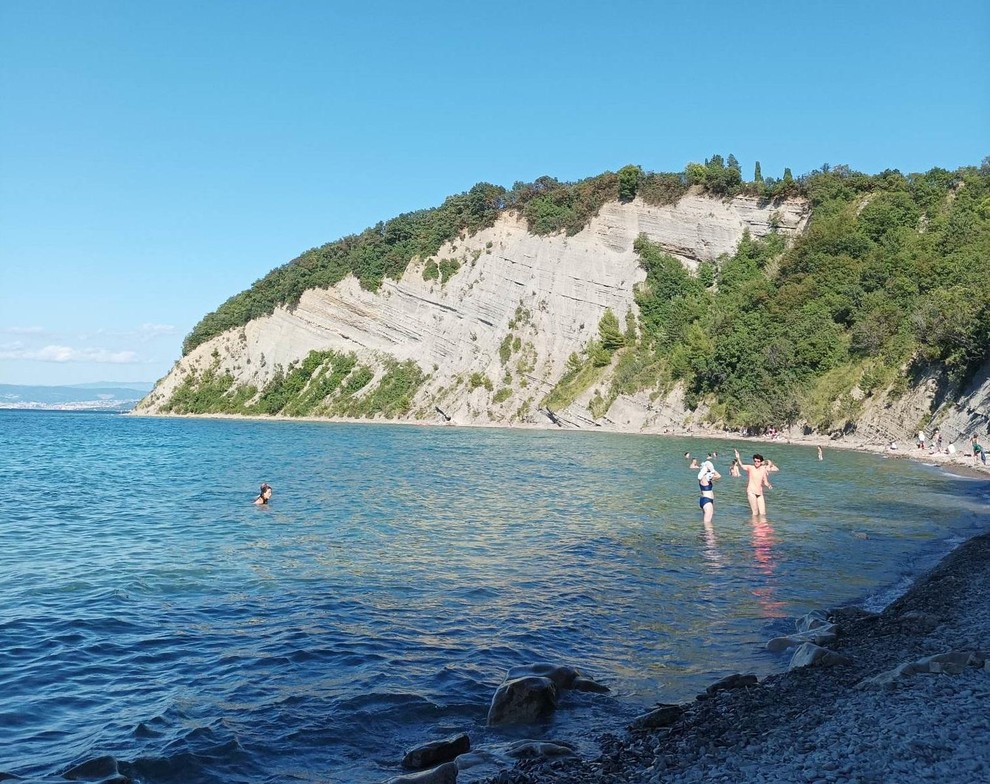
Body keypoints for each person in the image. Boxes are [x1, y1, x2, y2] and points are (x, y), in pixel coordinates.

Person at [734, 448, 779, 518]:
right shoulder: (750, 467)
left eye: (758, 461)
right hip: (751, 492)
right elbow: (742, 466)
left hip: (760, 493)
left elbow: (765, 481)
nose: (756, 463)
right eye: (755, 461)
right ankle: (755, 527)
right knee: (755, 513)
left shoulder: (763, 469)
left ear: (761, 462)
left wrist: (769, 485)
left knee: (763, 513)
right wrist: (738, 458)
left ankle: (762, 526)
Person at [696, 457, 721, 524]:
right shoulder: (705, 478)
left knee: (706, 522)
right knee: (708, 524)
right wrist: (712, 469)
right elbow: (718, 476)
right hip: (707, 501)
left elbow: (717, 476)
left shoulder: (704, 478)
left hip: (704, 500)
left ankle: (703, 534)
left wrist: (710, 469)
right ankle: (708, 534)